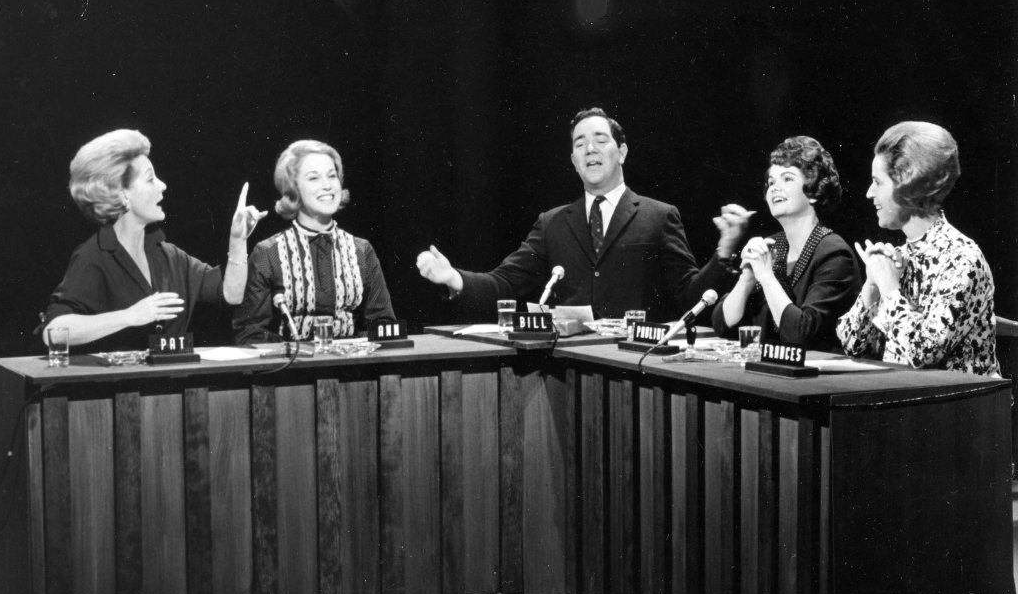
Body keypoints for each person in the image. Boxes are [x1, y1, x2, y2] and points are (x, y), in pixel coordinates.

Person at [415, 107, 752, 321]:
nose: (589, 148)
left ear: (621, 152)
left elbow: (690, 295)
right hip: (569, 370)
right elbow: (505, 283)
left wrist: (724, 251)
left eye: (600, 140)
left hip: (634, 367)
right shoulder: (552, 223)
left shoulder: (659, 216)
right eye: (580, 143)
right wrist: (453, 278)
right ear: (574, 161)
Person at [41, 129, 265, 352]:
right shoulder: (94, 256)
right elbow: (54, 332)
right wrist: (130, 316)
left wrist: (237, 239)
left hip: (170, 386)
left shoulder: (170, 257)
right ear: (122, 195)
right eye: (150, 179)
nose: (162, 185)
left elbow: (231, 294)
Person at [836, 121, 999, 375]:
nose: (869, 193)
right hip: (907, 404)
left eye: (878, 182)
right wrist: (872, 285)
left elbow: (923, 353)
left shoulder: (962, 258)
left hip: (961, 408)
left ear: (908, 184)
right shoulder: (901, 257)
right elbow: (851, 346)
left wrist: (890, 288)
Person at [233, 139, 395, 344]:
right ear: (293, 190)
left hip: (355, 368)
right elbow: (249, 334)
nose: (327, 186)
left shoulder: (362, 250)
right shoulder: (268, 253)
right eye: (313, 178)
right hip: (291, 370)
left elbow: (384, 324)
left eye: (332, 176)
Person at [712, 136, 860, 351]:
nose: (774, 188)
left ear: (814, 192)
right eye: (771, 182)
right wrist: (747, 279)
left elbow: (801, 335)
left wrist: (765, 276)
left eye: (787, 179)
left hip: (818, 380)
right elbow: (723, 326)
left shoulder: (834, 253)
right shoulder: (774, 245)